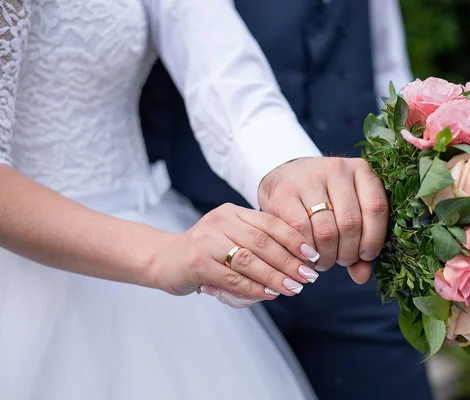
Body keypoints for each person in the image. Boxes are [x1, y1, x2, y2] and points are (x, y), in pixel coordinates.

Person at [0, 0, 390, 399]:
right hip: (31, 273)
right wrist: (161, 254)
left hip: (155, 230)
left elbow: (221, 68)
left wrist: (284, 167)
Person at [141, 1, 433, 399]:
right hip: (217, 256)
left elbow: (386, 65)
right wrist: (284, 168)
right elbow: (219, 74)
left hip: (356, 254)